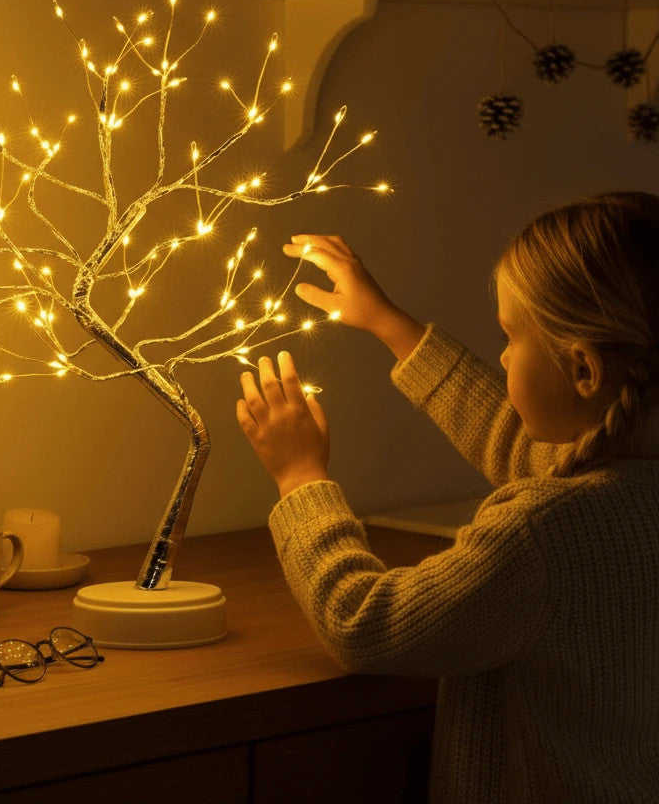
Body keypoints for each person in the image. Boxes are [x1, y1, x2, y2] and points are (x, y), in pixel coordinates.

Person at [236, 191, 659, 804]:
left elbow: (366, 624)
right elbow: (520, 444)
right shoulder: (621, 492)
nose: (503, 355)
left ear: (584, 371)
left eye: (511, 338)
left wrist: (300, 476)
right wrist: (386, 321)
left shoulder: (541, 537)